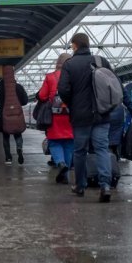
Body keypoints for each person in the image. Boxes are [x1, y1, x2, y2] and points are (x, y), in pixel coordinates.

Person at [58, 32, 119, 202]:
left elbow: (63, 90)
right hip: (102, 114)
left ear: (75, 45)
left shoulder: (70, 65)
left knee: (80, 151)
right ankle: (105, 185)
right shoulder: (101, 61)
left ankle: (80, 185)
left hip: (81, 116)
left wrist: (72, 103)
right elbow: (115, 85)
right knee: (101, 149)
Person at [38, 53, 75, 183]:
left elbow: (42, 96)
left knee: (54, 141)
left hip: (54, 116)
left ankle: (60, 163)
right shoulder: (74, 77)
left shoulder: (50, 77)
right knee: (69, 143)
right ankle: (65, 171)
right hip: (71, 115)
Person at [0, 66, 29, 165]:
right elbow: (25, 100)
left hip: (4, 117)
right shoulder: (18, 87)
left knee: (6, 137)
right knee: (18, 134)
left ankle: (8, 158)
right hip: (17, 115)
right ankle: (19, 148)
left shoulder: (0, 88)